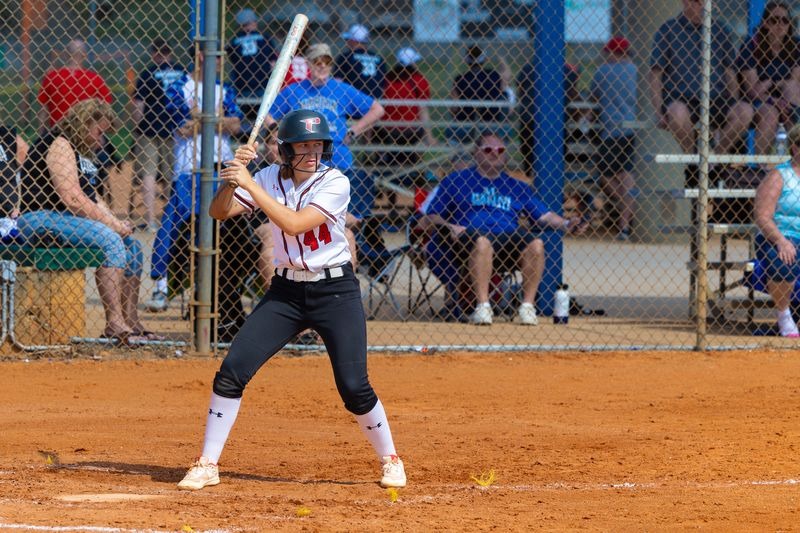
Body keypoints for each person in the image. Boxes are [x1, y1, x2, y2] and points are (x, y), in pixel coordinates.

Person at [176, 109, 406, 491]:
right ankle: (207, 463)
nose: (312, 152)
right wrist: (233, 180)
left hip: (334, 290)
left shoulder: (335, 182)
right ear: (285, 149)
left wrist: (252, 183)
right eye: (303, 145)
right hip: (285, 292)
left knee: (353, 386)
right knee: (232, 371)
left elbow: (294, 224)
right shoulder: (267, 177)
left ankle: (391, 458)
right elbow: (219, 212)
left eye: (318, 145)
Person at [16, 99, 156, 343]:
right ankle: (114, 323)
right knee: (110, 240)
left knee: (131, 246)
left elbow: (94, 198)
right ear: (84, 123)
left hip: (63, 219)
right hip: (38, 218)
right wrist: (112, 227)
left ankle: (131, 322)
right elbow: (72, 198)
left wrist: (118, 223)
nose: (101, 140)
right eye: (99, 132)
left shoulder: (83, 153)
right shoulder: (60, 143)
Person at [420, 132, 585, 326]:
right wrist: (449, 226)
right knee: (482, 243)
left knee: (536, 244)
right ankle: (483, 306)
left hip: (508, 239)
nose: (495, 154)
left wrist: (566, 224)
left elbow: (545, 215)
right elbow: (430, 216)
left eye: (500, 150)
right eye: (488, 150)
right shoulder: (456, 180)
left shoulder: (516, 186)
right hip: (469, 240)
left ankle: (527, 307)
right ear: (476, 153)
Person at [145, 51, 243, 313]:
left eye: (223, 56)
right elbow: (181, 128)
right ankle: (162, 285)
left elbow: (235, 126)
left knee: (228, 228)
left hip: (222, 166)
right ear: (201, 56)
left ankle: (218, 291)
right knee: (177, 223)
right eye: (217, 56)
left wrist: (202, 117)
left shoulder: (225, 88)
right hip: (189, 167)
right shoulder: (179, 87)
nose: (221, 61)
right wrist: (216, 119)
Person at [268, 43, 385, 222]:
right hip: (302, 163)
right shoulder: (294, 90)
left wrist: (354, 131)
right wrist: (278, 132)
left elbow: (377, 109)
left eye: (327, 61)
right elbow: (267, 115)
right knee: (306, 215)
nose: (322, 66)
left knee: (341, 217)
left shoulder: (342, 89)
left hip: (338, 160)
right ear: (308, 63)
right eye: (317, 61)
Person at [648, 0, 742, 163]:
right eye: (698, 2)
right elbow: (655, 74)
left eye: (707, 2)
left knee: (745, 111)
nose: (704, 6)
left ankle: (714, 162)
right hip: (681, 97)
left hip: (716, 98)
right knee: (677, 112)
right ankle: (693, 160)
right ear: (685, 2)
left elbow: (730, 73)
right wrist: (658, 111)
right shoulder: (668, 30)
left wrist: (733, 100)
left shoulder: (720, 31)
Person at [132, 38, 185, 230]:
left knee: (149, 173)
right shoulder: (181, 72)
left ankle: (150, 220)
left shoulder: (147, 74)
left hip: (149, 128)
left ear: (154, 53)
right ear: (170, 53)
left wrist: (137, 127)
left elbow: (138, 106)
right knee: (172, 173)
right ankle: (173, 220)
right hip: (175, 128)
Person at [735, 1, 800, 155]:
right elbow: (752, 89)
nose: (780, 25)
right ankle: (762, 166)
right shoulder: (752, 45)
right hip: (758, 102)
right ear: (765, 23)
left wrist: (771, 82)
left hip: (788, 100)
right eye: (774, 20)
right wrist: (774, 99)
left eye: (785, 20)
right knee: (770, 114)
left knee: (791, 91)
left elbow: (795, 82)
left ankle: (796, 159)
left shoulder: (796, 46)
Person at [754, 122, 800, 337]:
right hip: (779, 236)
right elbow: (763, 216)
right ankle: (784, 316)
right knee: (784, 262)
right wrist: (781, 240)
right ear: (795, 148)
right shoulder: (779, 176)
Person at [590, 36, 638, 241]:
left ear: (613, 52)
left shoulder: (603, 71)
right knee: (625, 175)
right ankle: (628, 215)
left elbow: (593, 97)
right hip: (633, 129)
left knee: (608, 177)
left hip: (611, 131)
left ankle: (626, 214)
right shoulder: (637, 70)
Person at [37, 39, 113, 132]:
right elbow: (106, 111)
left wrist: (41, 135)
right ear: (84, 55)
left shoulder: (51, 77)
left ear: (66, 54)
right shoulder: (95, 79)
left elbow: (43, 112)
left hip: (58, 132)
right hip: (85, 133)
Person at [447, 45, 507, 149]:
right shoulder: (494, 75)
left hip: (465, 126)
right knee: (505, 96)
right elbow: (507, 75)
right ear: (485, 59)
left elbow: (454, 108)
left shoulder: (460, 79)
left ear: (466, 60)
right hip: (492, 125)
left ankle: (463, 160)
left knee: (452, 126)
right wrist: (502, 60)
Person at [225, 8, 277, 127]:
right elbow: (273, 63)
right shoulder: (265, 37)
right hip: (262, 83)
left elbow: (233, 61)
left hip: (242, 85)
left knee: (243, 116)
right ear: (254, 22)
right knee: (264, 115)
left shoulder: (234, 41)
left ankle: (243, 136)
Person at [333, 24, 386, 99]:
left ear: (353, 41)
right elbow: (383, 84)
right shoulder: (379, 58)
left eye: (348, 39)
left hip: (352, 100)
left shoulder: (345, 57)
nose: (347, 42)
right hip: (375, 101)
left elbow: (338, 82)